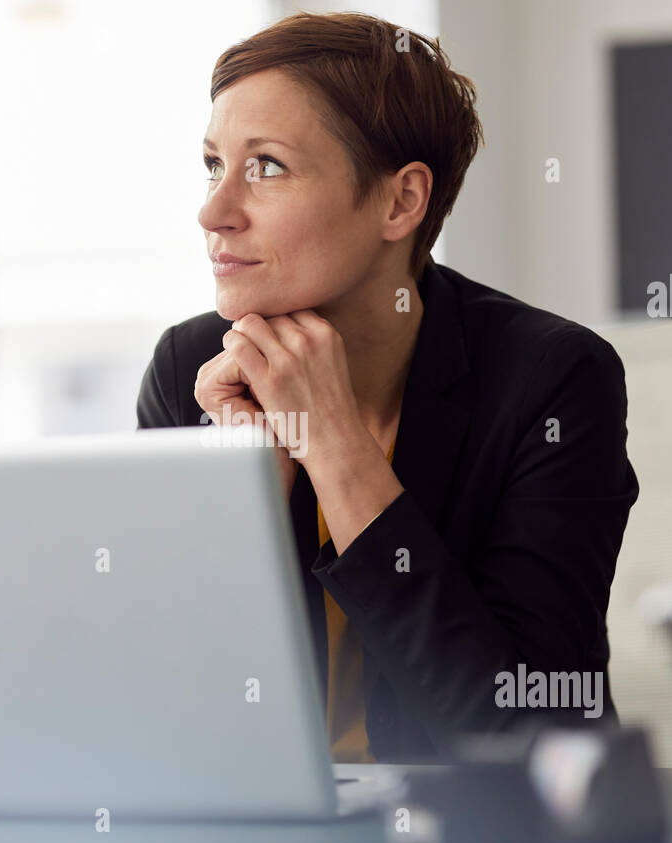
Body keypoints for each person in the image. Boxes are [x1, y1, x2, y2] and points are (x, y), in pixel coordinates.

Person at [136, 11, 638, 763]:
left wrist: (336, 451)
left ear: (400, 202)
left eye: (266, 166)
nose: (214, 211)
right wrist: (243, 507)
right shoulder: (192, 372)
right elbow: (164, 726)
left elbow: (532, 740)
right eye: (214, 165)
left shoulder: (552, 381)